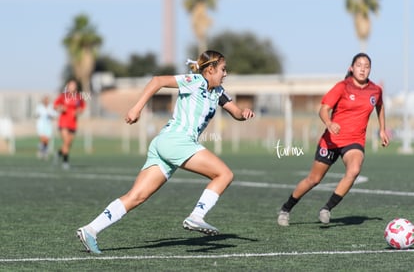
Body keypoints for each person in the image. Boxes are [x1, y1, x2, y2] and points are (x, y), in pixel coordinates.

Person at [76, 50, 255, 254]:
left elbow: (236, 112)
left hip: (165, 143)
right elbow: (157, 81)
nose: (225, 73)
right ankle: (196, 216)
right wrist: (136, 108)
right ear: (210, 69)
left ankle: (90, 230)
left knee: (136, 196)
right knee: (224, 174)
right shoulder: (194, 80)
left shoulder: (219, 92)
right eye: (223, 69)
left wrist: (244, 113)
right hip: (176, 141)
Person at [277, 53, 390, 227]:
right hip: (331, 141)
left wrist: (382, 129)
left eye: (366, 66)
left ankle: (327, 209)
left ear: (370, 69)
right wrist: (329, 123)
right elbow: (323, 109)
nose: (363, 68)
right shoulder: (342, 87)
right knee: (314, 179)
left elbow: (380, 106)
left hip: (354, 141)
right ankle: (286, 209)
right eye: (359, 65)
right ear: (351, 68)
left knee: (354, 170)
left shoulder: (375, 90)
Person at [53, 79, 86, 170]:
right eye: (70, 85)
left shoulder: (78, 97)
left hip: (73, 123)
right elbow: (55, 106)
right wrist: (61, 108)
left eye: (74, 85)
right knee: (66, 142)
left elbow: (82, 107)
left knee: (68, 144)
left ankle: (58, 153)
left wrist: (78, 111)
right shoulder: (63, 96)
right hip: (63, 123)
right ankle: (65, 163)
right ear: (68, 87)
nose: (72, 87)